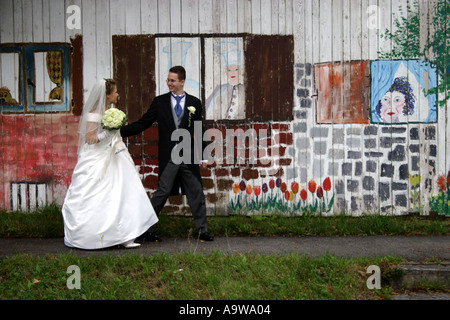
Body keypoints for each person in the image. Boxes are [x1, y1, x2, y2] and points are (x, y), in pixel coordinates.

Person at [62, 79, 158, 249]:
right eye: (115, 92)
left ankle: (125, 235)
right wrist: (108, 132)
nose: (117, 94)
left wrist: (114, 130)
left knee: (124, 193)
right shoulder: (93, 114)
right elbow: (90, 139)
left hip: (115, 154)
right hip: (97, 157)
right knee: (100, 196)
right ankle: (92, 235)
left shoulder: (111, 111)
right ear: (107, 95)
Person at [120, 66, 213, 242]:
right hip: (169, 155)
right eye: (168, 80)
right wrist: (119, 132)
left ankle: (202, 231)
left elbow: (199, 129)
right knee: (162, 192)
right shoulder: (159, 102)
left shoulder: (194, 102)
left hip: (187, 154)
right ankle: (145, 229)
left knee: (196, 192)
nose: (169, 83)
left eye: (172, 80)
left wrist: (203, 156)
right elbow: (143, 123)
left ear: (182, 82)